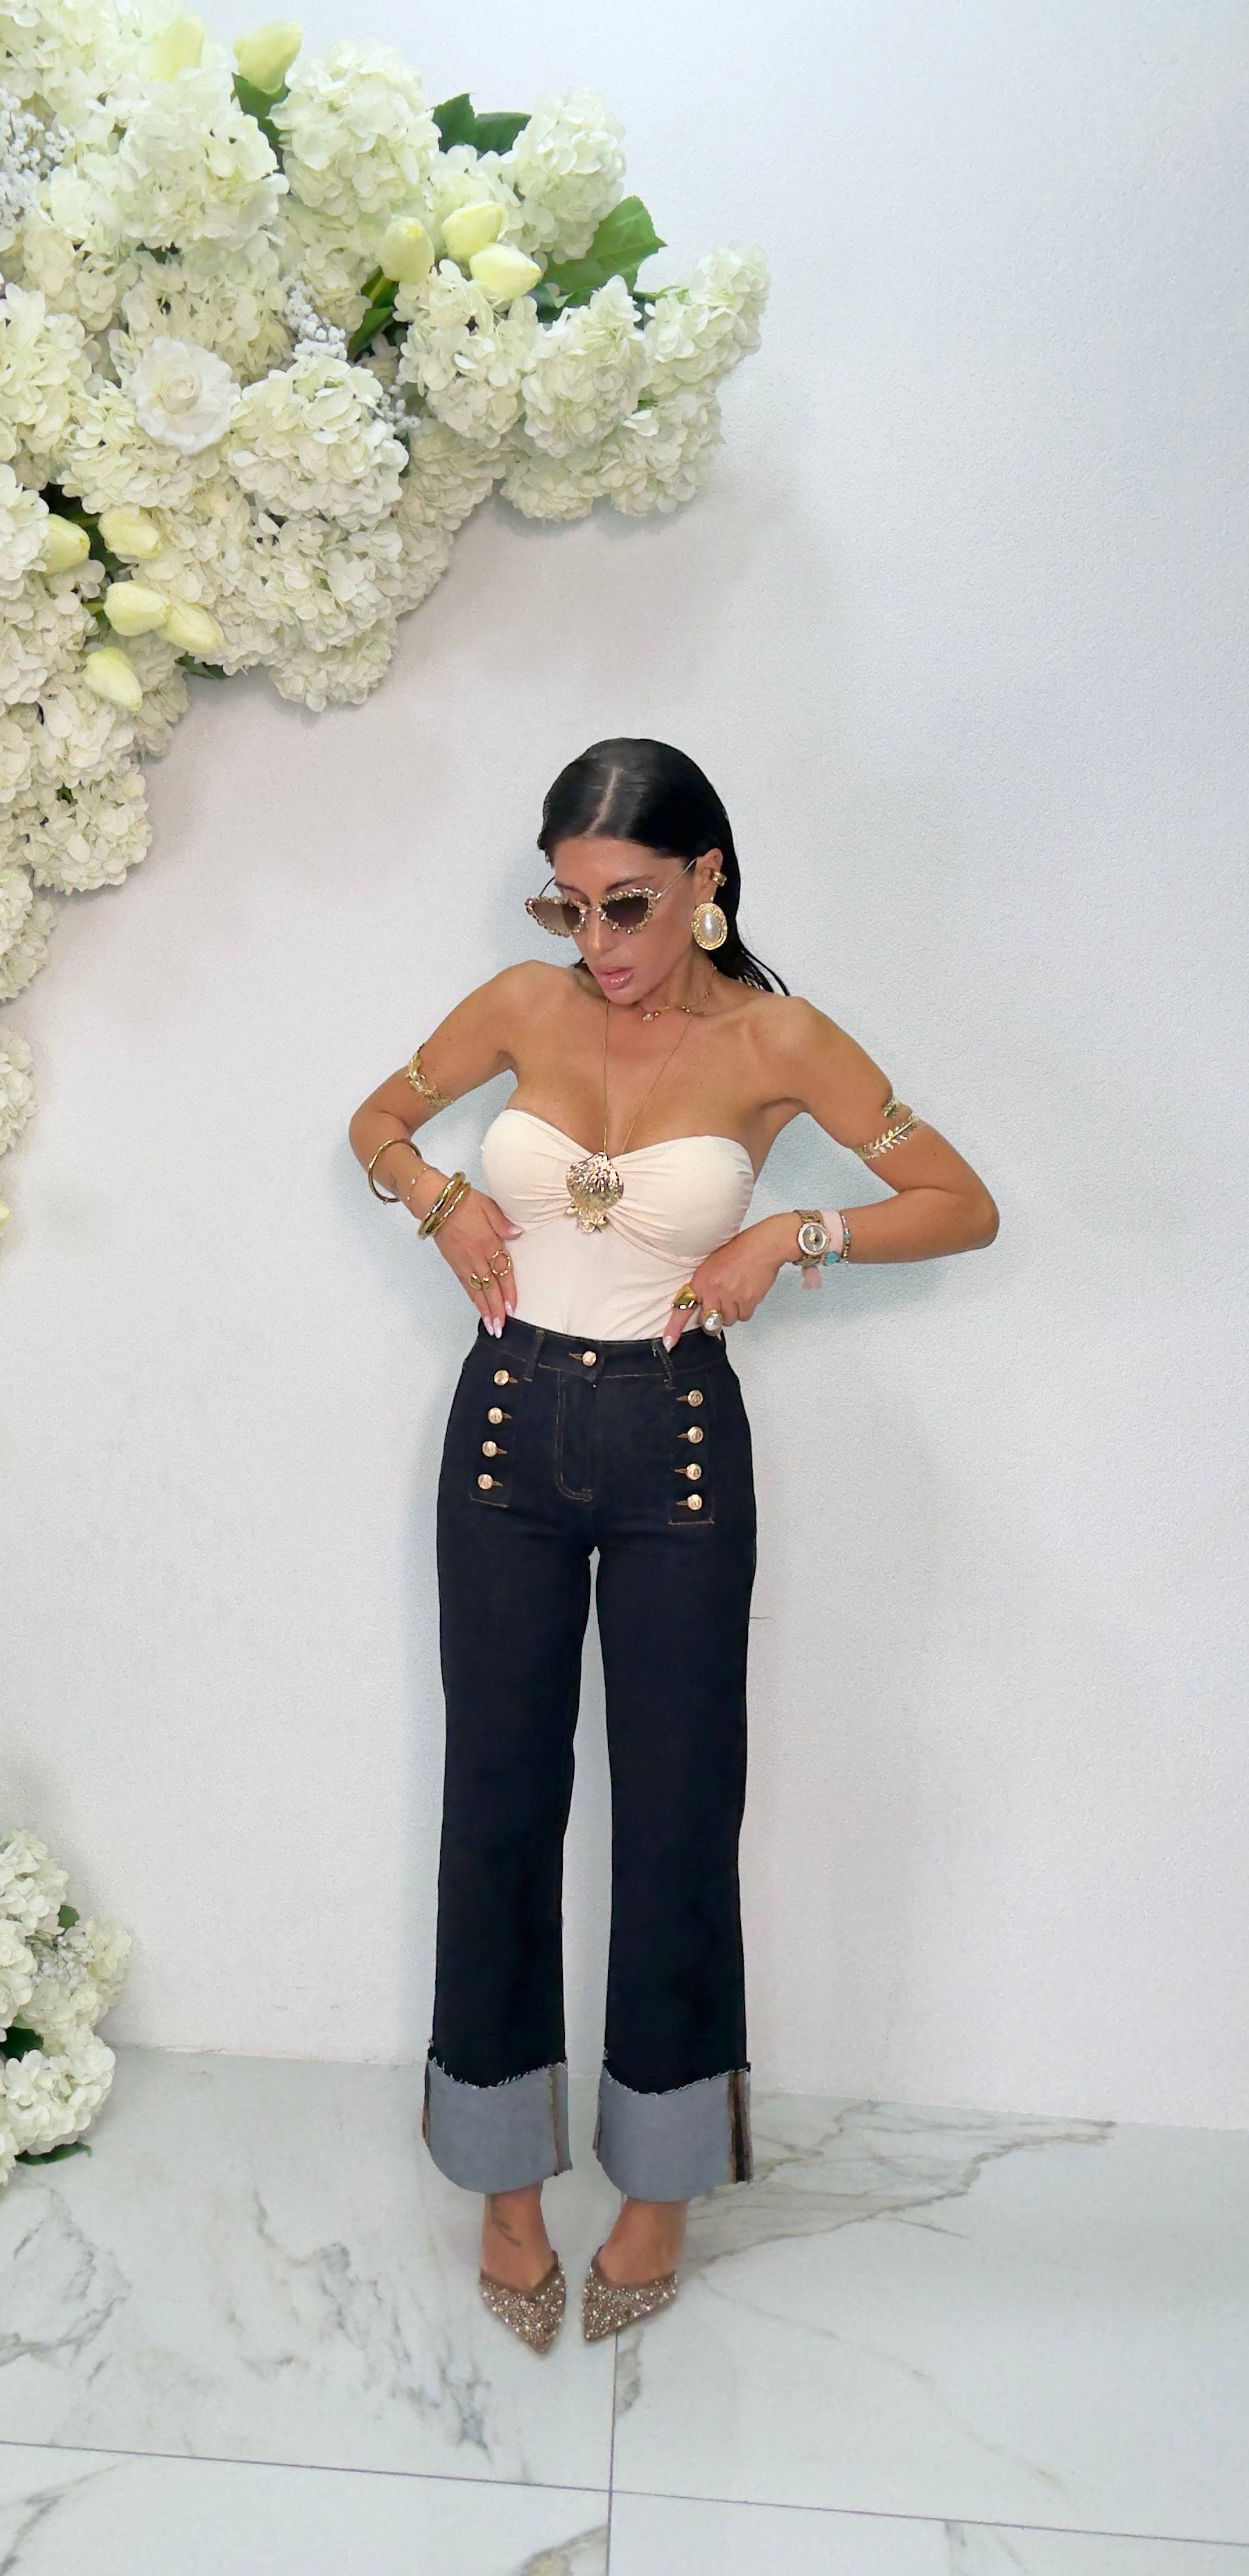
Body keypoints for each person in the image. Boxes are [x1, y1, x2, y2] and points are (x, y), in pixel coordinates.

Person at [349, 738, 998, 2352]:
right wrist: (436, 1195)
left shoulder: (782, 1040)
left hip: (679, 1449)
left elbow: (958, 1199)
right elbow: (376, 1115)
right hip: (503, 1432)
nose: (598, 943)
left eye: (626, 903)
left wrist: (795, 1229)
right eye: (567, 905)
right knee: (497, 1800)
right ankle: (504, 2183)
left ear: (708, 878)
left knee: (679, 1810)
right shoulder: (521, 1004)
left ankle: (657, 2184)